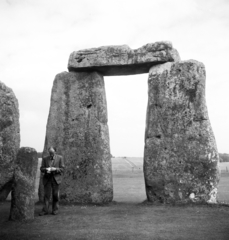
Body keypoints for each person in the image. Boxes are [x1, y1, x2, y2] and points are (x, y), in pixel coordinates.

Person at [39, 147, 65, 216]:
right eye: (50, 152)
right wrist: (46, 169)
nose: (51, 154)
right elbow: (41, 168)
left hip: (56, 179)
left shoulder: (60, 158)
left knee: (55, 195)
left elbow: (62, 169)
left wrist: (55, 169)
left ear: (55, 152)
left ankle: (55, 210)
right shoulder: (45, 159)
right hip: (47, 179)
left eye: (52, 152)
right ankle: (45, 210)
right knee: (46, 196)